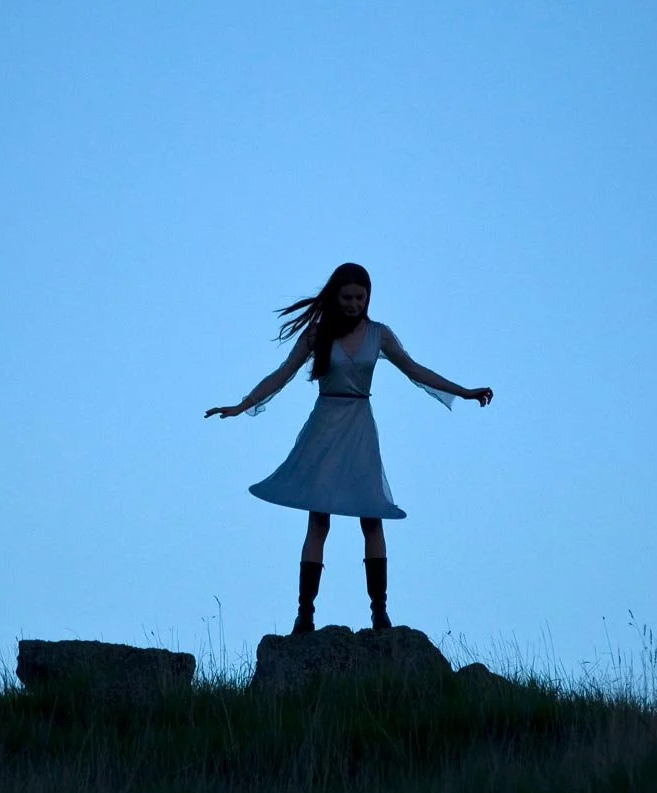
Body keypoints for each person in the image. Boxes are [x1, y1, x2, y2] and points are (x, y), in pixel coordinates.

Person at [206, 263, 493, 633]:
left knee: (371, 517)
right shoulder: (317, 335)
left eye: (360, 297)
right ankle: (304, 614)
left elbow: (416, 371)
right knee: (318, 520)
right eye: (347, 297)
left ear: (368, 297)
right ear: (335, 297)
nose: (354, 303)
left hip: (359, 428)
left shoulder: (379, 334)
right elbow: (283, 373)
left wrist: (464, 391)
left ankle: (379, 612)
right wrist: (242, 405)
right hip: (325, 429)